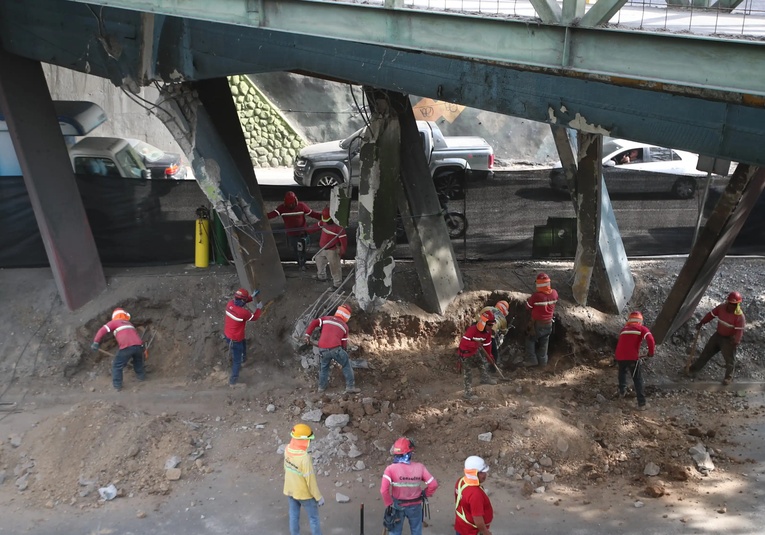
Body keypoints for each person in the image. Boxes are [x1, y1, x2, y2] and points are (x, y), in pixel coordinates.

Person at [379, 437, 439, 535]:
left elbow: (383, 490)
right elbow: (433, 484)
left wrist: (389, 503)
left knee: (395, 532)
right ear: (409, 452)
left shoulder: (390, 469)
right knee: (416, 531)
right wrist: (425, 494)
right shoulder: (420, 467)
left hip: (397, 506)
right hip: (415, 505)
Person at [686, 291, 746, 385]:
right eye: (730, 303)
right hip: (718, 335)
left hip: (729, 340)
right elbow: (711, 315)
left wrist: (736, 341)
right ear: (727, 302)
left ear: (738, 305)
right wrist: (702, 322)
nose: (732, 306)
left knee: (730, 360)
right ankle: (693, 369)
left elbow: (739, 331)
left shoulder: (739, 317)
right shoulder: (721, 308)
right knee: (706, 353)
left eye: (734, 304)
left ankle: (728, 378)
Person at [303, 304, 360, 394]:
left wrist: (307, 335)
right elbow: (343, 344)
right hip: (335, 349)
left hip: (323, 349)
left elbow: (314, 322)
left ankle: (321, 388)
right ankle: (350, 387)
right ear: (347, 316)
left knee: (324, 367)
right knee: (346, 364)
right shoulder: (344, 326)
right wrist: (343, 354)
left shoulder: (326, 319)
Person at [91, 308, 146, 392]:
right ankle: (141, 377)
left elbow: (102, 331)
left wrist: (96, 342)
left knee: (117, 365)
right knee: (138, 361)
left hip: (127, 346)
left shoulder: (115, 322)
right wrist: (143, 348)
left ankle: (117, 385)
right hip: (139, 346)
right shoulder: (129, 324)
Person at [283, 423, 324, 535]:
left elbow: (286, 469)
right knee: (314, 518)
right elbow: (310, 481)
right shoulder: (304, 458)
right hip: (304, 494)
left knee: (293, 516)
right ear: (304, 440)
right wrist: (319, 497)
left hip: (290, 490)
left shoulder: (287, 449)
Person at [267, 191, 321, 271]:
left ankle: (303, 264)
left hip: (302, 233)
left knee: (302, 250)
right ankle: (300, 264)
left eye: (292, 203)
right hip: (291, 235)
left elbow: (313, 214)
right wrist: (261, 217)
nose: (291, 206)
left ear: (296, 201)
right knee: (296, 250)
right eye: (289, 204)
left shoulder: (302, 206)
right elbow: (271, 215)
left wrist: (324, 217)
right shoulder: (281, 208)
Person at [614, 311, 655, 411]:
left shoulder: (623, 329)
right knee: (637, 379)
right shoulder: (641, 328)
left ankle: (622, 391)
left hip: (619, 356)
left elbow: (624, 343)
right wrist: (651, 353)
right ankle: (642, 403)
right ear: (640, 320)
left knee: (622, 372)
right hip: (632, 357)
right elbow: (650, 340)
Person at [223, 288, 263, 387]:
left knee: (243, 344)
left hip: (229, 335)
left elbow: (242, 301)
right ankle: (233, 382)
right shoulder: (243, 313)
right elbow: (254, 317)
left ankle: (243, 360)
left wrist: (252, 297)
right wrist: (259, 308)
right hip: (235, 339)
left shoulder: (230, 304)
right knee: (236, 361)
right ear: (242, 300)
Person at [457, 310, 498, 399]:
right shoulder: (472, 330)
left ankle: (485, 378)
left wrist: (490, 356)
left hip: (474, 351)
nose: (491, 327)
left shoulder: (488, 333)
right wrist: (475, 344)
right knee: (468, 373)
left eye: (492, 325)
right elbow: (463, 343)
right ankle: (467, 393)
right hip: (465, 353)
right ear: (483, 323)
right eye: (490, 325)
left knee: (482, 362)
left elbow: (487, 345)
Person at [524, 273, 558, 368]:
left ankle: (532, 360)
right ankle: (543, 362)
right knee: (544, 342)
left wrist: (530, 300)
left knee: (530, 340)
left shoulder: (536, 296)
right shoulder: (555, 293)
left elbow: (528, 307)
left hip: (538, 324)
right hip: (549, 323)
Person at [308, 206, 347, 290]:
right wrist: (307, 230)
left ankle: (337, 284)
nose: (327, 222)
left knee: (335, 267)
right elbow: (315, 227)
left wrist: (342, 249)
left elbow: (343, 240)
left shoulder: (339, 227)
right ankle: (321, 276)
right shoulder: (324, 222)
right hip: (323, 249)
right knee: (319, 259)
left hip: (332, 250)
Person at [454, 455, 493, 535]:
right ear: (474, 474)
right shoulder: (475, 494)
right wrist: (485, 532)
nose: (485, 474)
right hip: (472, 532)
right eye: (482, 472)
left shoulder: (461, 481)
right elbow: (477, 518)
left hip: (461, 526)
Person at [477, 300, 510, 368]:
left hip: (477, 331)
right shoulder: (503, 319)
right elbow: (504, 331)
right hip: (489, 335)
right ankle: (492, 368)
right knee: (494, 351)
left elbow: (477, 318)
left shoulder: (487, 308)